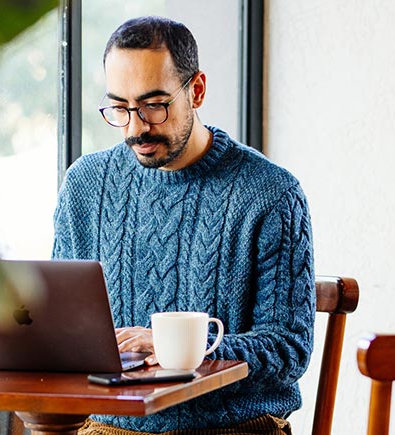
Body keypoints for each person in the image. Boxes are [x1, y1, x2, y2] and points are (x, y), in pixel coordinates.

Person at [52, 16, 315, 435]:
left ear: (196, 90)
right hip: (110, 428)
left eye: (154, 105)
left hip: (232, 428)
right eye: (120, 107)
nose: (136, 127)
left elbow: (288, 349)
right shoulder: (85, 185)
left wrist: (181, 349)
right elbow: (60, 325)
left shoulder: (270, 193)